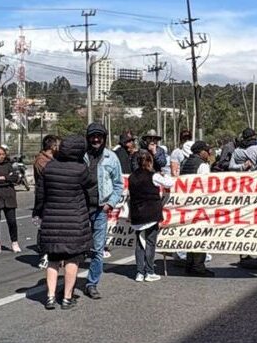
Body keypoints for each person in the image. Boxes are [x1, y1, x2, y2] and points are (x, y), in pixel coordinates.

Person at [32, 134, 92, 309]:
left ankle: (50, 297)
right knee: (72, 259)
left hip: (51, 219)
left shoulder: (49, 167)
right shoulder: (81, 169)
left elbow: (40, 194)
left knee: (53, 258)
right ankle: (67, 298)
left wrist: (38, 213)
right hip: (74, 220)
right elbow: (90, 190)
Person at [83, 123, 125, 298]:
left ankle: (92, 283)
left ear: (104, 138)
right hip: (80, 209)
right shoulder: (80, 156)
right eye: (93, 136)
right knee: (74, 249)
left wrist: (111, 203)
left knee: (98, 249)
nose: (96, 139)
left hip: (100, 209)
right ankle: (68, 285)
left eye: (99, 136)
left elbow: (119, 184)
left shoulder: (111, 157)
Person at [128, 149, 174, 283]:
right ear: (149, 162)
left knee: (139, 244)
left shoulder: (131, 177)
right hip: (151, 214)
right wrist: (165, 175)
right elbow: (169, 183)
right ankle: (149, 272)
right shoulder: (153, 176)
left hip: (137, 214)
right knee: (150, 243)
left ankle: (139, 272)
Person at [179, 140, 215, 276]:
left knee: (191, 235)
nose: (209, 153)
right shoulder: (202, 165)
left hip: (186, 204)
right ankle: (198, 266)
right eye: (207, 150)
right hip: (199, 205)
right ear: (201, 152)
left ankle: (190, 264)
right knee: (200, 236)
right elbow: (206, 185)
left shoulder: (185, 163)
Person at [33, 135, 60, 269]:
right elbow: (51, 175)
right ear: (52, 146)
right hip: (46, 198)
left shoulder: (54, 159)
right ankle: (45, 254)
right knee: (46, 228)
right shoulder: (41, 161)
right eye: (58, 145)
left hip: (56, 198)